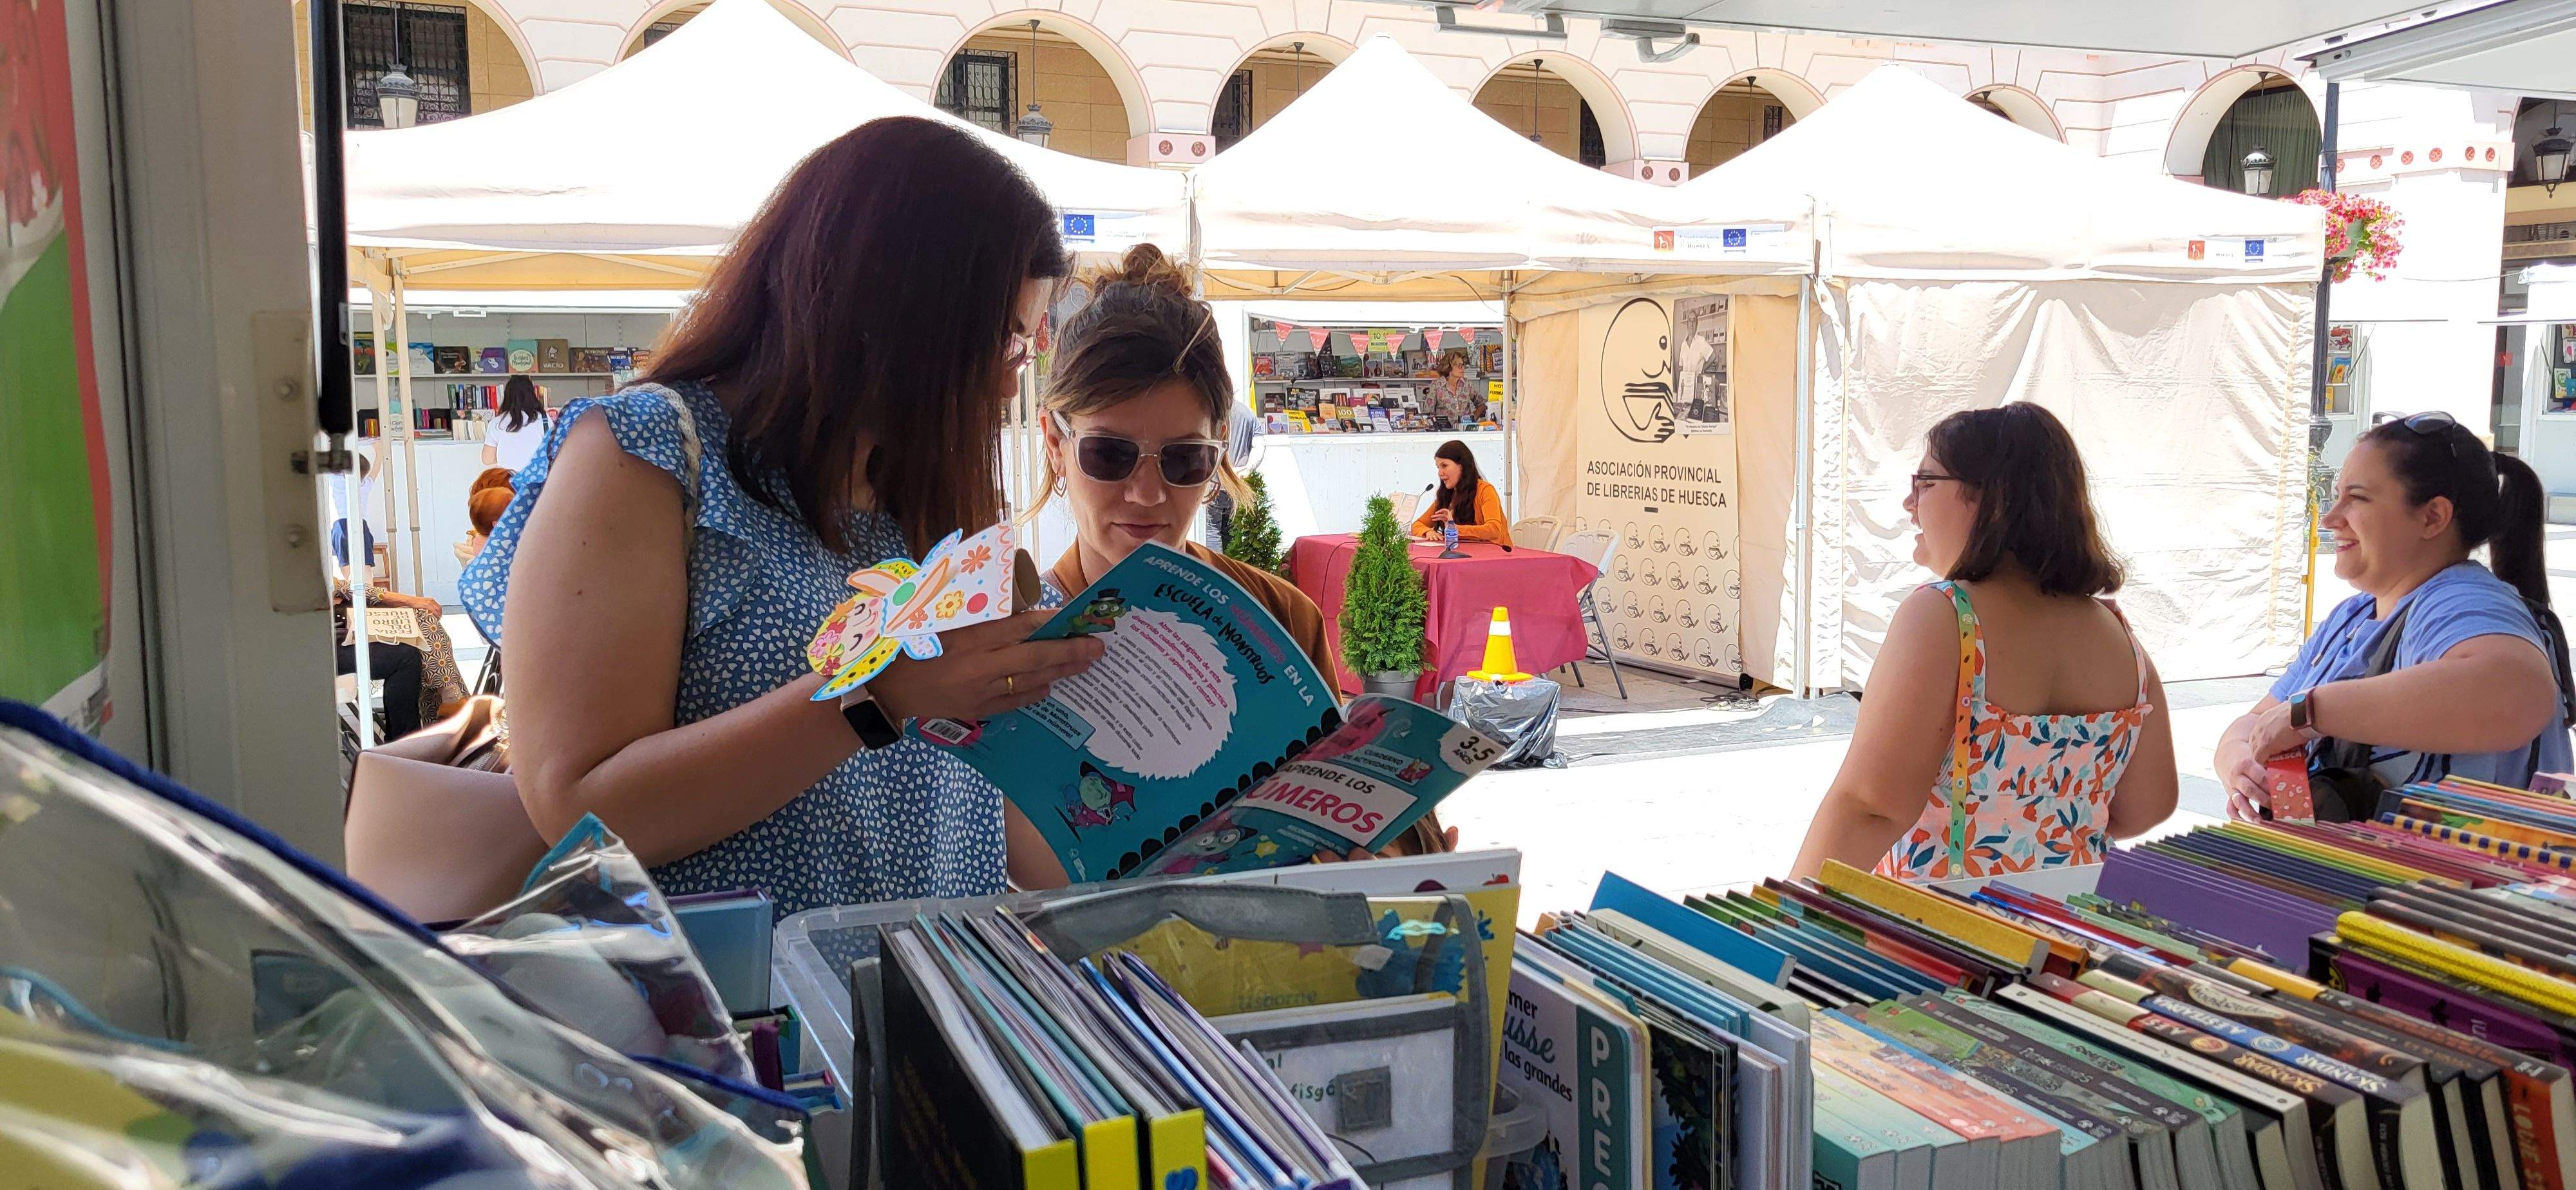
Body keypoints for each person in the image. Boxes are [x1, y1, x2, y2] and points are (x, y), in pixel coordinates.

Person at [460, 118, 1105, 916]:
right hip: (730, 1018)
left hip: (924, 997)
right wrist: (877, 697)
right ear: (891, 312)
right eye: (1001, 343)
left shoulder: (913, 490)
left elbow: (960, 803)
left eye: (1023, 347)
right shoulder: (647, 450)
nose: (1007, 387)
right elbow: (578, 805)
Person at [1023, 243, 1452, 887]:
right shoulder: (1009, 641)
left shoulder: (1280, 616)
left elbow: (1364, 825)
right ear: (1055, 444)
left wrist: (1385, 863)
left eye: (1184, 460)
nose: (1147, 495)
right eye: (1110, 456)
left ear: (1219, 455)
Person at [1790, 403, 2177, 880]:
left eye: (1926, 483)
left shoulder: (1945, 617)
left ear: (1991, 499)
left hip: (1941, 934)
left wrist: (1781, 924)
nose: (1909, 504)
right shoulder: (2118, 635)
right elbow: (2148, 807)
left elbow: (1870, 808)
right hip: (2067, 931)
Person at [2221, 413, 2573, 820]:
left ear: (2433, 517)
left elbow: (2518, 692)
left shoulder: (2461, 601)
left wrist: (2310, 713)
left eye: (2357, 498)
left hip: (2448, 882)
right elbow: (2257, 722)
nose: (2332, 518)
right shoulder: (2351, 618)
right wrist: (2239, 763)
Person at [1411, 439, 1511, 546]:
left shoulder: (1485, 490)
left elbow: (1494, 530)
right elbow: (1418, 524)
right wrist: (1428, 532)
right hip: (1463, 555)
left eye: (1444, 466)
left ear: (1462, 465)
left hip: (1496, 555)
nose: (1440, 473)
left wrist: (1453, 529)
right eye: (1438, 468)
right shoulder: (1446, 495)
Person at [482, 375, 548, 471]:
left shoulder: (497, 423)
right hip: (538, 480)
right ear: (532, 395)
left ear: (507, 395)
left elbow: (487, 459)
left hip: (508, 480)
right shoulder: (544, 419)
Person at [1426, 350, 1481, 426]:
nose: (1463, 368)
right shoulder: (1436, 386)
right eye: (1459, 366)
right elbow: (1428, 413)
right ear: (1449, 367)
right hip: (1444, 433)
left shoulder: (1467, 384)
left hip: (1465, 431)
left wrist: (1473, 420)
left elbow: (1482, 404)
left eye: (1463, 365)